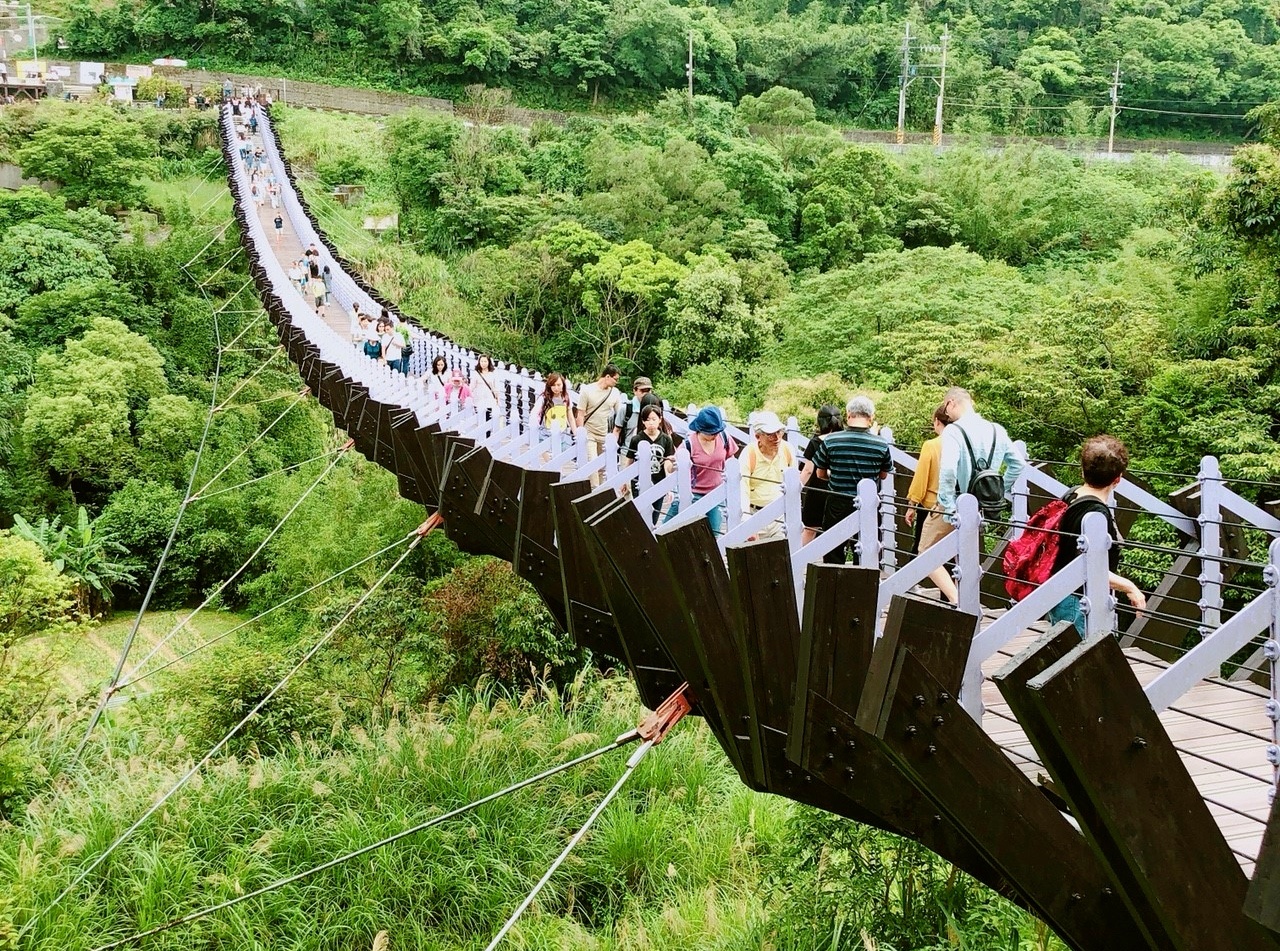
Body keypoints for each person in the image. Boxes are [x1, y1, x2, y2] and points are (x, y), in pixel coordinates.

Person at [1047, 435, 1146, 635]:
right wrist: (1130, 587)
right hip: (1080, 603)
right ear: (1118, 479)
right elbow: (1089, 568)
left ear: (1083, 471)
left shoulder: (1071, 496)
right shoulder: (1096, 514)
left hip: (1059, 595)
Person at [811, 396, 893, 564]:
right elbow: (883, 475)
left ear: (848, 415)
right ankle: (861, 587)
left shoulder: (831, 441)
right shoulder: (881, 444)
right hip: (867, 506)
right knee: (864, 552)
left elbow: (819, 474)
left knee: (833, 550)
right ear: (871, 417)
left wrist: (834, 475)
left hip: (837, 502)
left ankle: (834, 587)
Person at [935, 386, 1025, 529]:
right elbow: (1018, 464)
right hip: (986, 509)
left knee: (936, 549)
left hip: (960, 506)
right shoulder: (997, 429)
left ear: (951, 403)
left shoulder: (953, 431)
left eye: (946, 409)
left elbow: (948, 471)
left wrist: (949, 507)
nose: (947, 415)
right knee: (974, 549)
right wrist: (998, 491)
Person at [905, 404, 958, 603]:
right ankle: (949, 597)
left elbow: (921, 478)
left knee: (922, 547)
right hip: (957, 507)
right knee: (952, 554)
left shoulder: (932, 445)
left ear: (937, 421)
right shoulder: (962, 444)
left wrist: (912, 504)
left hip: (932, 507)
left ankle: (909, 585)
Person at [664, 406, 739, 536]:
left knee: (714, 534)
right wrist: (673, 464)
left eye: (717, 431)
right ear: (700, 429)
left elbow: (731, 459)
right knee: (669, 529)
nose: (715, 435)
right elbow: (670, 467)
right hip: (693, 493)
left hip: (717, 493)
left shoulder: (724, 437)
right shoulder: (689, 444)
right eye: (711, 433)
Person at [741, 410, 795, 539]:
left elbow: (794, 485)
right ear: (758, 436)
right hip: (755, 513)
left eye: (779, 432)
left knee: (782, 556)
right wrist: (746, 521)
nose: (776, 438)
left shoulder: (787, 450)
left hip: (780, 514)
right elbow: (742, 489)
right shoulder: (749, 454)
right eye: (770, 434)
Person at [623, 404, 676, 525]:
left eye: (654, 419)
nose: (651, 423)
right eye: (647, 420)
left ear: (660, 420)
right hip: (639, 482)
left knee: (654, 517)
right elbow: (630, 461)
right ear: (643, 421)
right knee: (641, 514)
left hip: (659, 481)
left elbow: (667, 462)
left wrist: (669, 484)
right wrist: (625, 480)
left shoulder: (666, 439)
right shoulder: (636, 439)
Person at [799, 405, 842, 546]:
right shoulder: (843, 439)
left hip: (817, 490)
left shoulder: (816, 442)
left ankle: (800, 560)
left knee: (810, 528)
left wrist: (795, 489)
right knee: (837, 530)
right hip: (838, 490)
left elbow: (808, 470)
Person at [575, 364, 623, 465]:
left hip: (604, 434)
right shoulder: (587, 390)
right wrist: (581, 433)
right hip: (589, 433)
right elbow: (580, 414)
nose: (616, 382)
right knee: (593, 463)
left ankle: (598, 482)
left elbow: (619, 414)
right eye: (615, 379)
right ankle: (595, 482)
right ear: (607, 377)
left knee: (602, 466)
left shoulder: (615, 393)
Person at [613, 376, 665, 450]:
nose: (645, 394)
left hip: (651, 453)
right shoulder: (626, 409)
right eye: (642, 390)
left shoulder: (656, 409)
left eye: (648, 390)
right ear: (635, 391)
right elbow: (617, 430)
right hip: (628, 451)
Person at [532, 372, 573, 442]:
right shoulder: (544, 398)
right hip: (545, 435)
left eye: (559, 385)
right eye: (553, 385)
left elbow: (570, 418)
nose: (556, 388)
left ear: (563, 385)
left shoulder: (566, 399)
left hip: (562, 437)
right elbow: (534, 413)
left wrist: (575, 434)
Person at [470, 354, 500, 422]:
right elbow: (472, 387)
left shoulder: (493, 373)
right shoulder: (476, 373)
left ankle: (488, 432)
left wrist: (497, 399)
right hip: (479, 399)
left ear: (489, 362)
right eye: (482, 361)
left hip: (489, 399)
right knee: (480, 419)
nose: (483, 363)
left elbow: (496, 387)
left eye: (485, 361)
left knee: (488, 418)